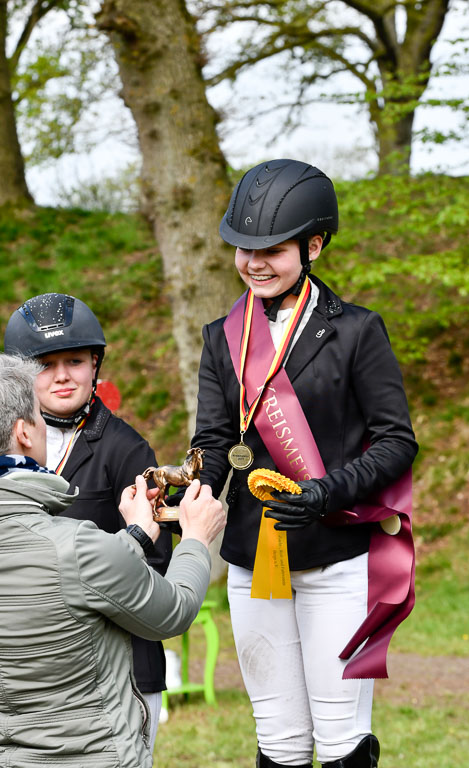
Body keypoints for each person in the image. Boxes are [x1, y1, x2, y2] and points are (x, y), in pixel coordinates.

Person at [183, 159, 418, 768]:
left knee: (340, 738)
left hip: (336, 556)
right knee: (279, 739)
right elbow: (214, 441)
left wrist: (325, 493)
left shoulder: (359, 332)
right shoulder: (221, 336)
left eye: (271, 250)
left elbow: (396, 442)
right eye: (242, 249)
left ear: (313, 245)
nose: (254, 263)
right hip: (252, 557)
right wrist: (188, 485)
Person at [0, 353, 226, 768]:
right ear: (24, 433)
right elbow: (170, 610)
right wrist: (195, 538)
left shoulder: (123, 447)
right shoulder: (76, 545)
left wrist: (135, 537)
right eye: (38, 416)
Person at [3, 293, 174, 750]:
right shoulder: (9, 446)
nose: (62, 375)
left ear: (95, 364)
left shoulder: (129, 450)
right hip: (31, 669)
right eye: (45, 363)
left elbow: (155, 563)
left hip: (117, 668)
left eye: (75, 360)